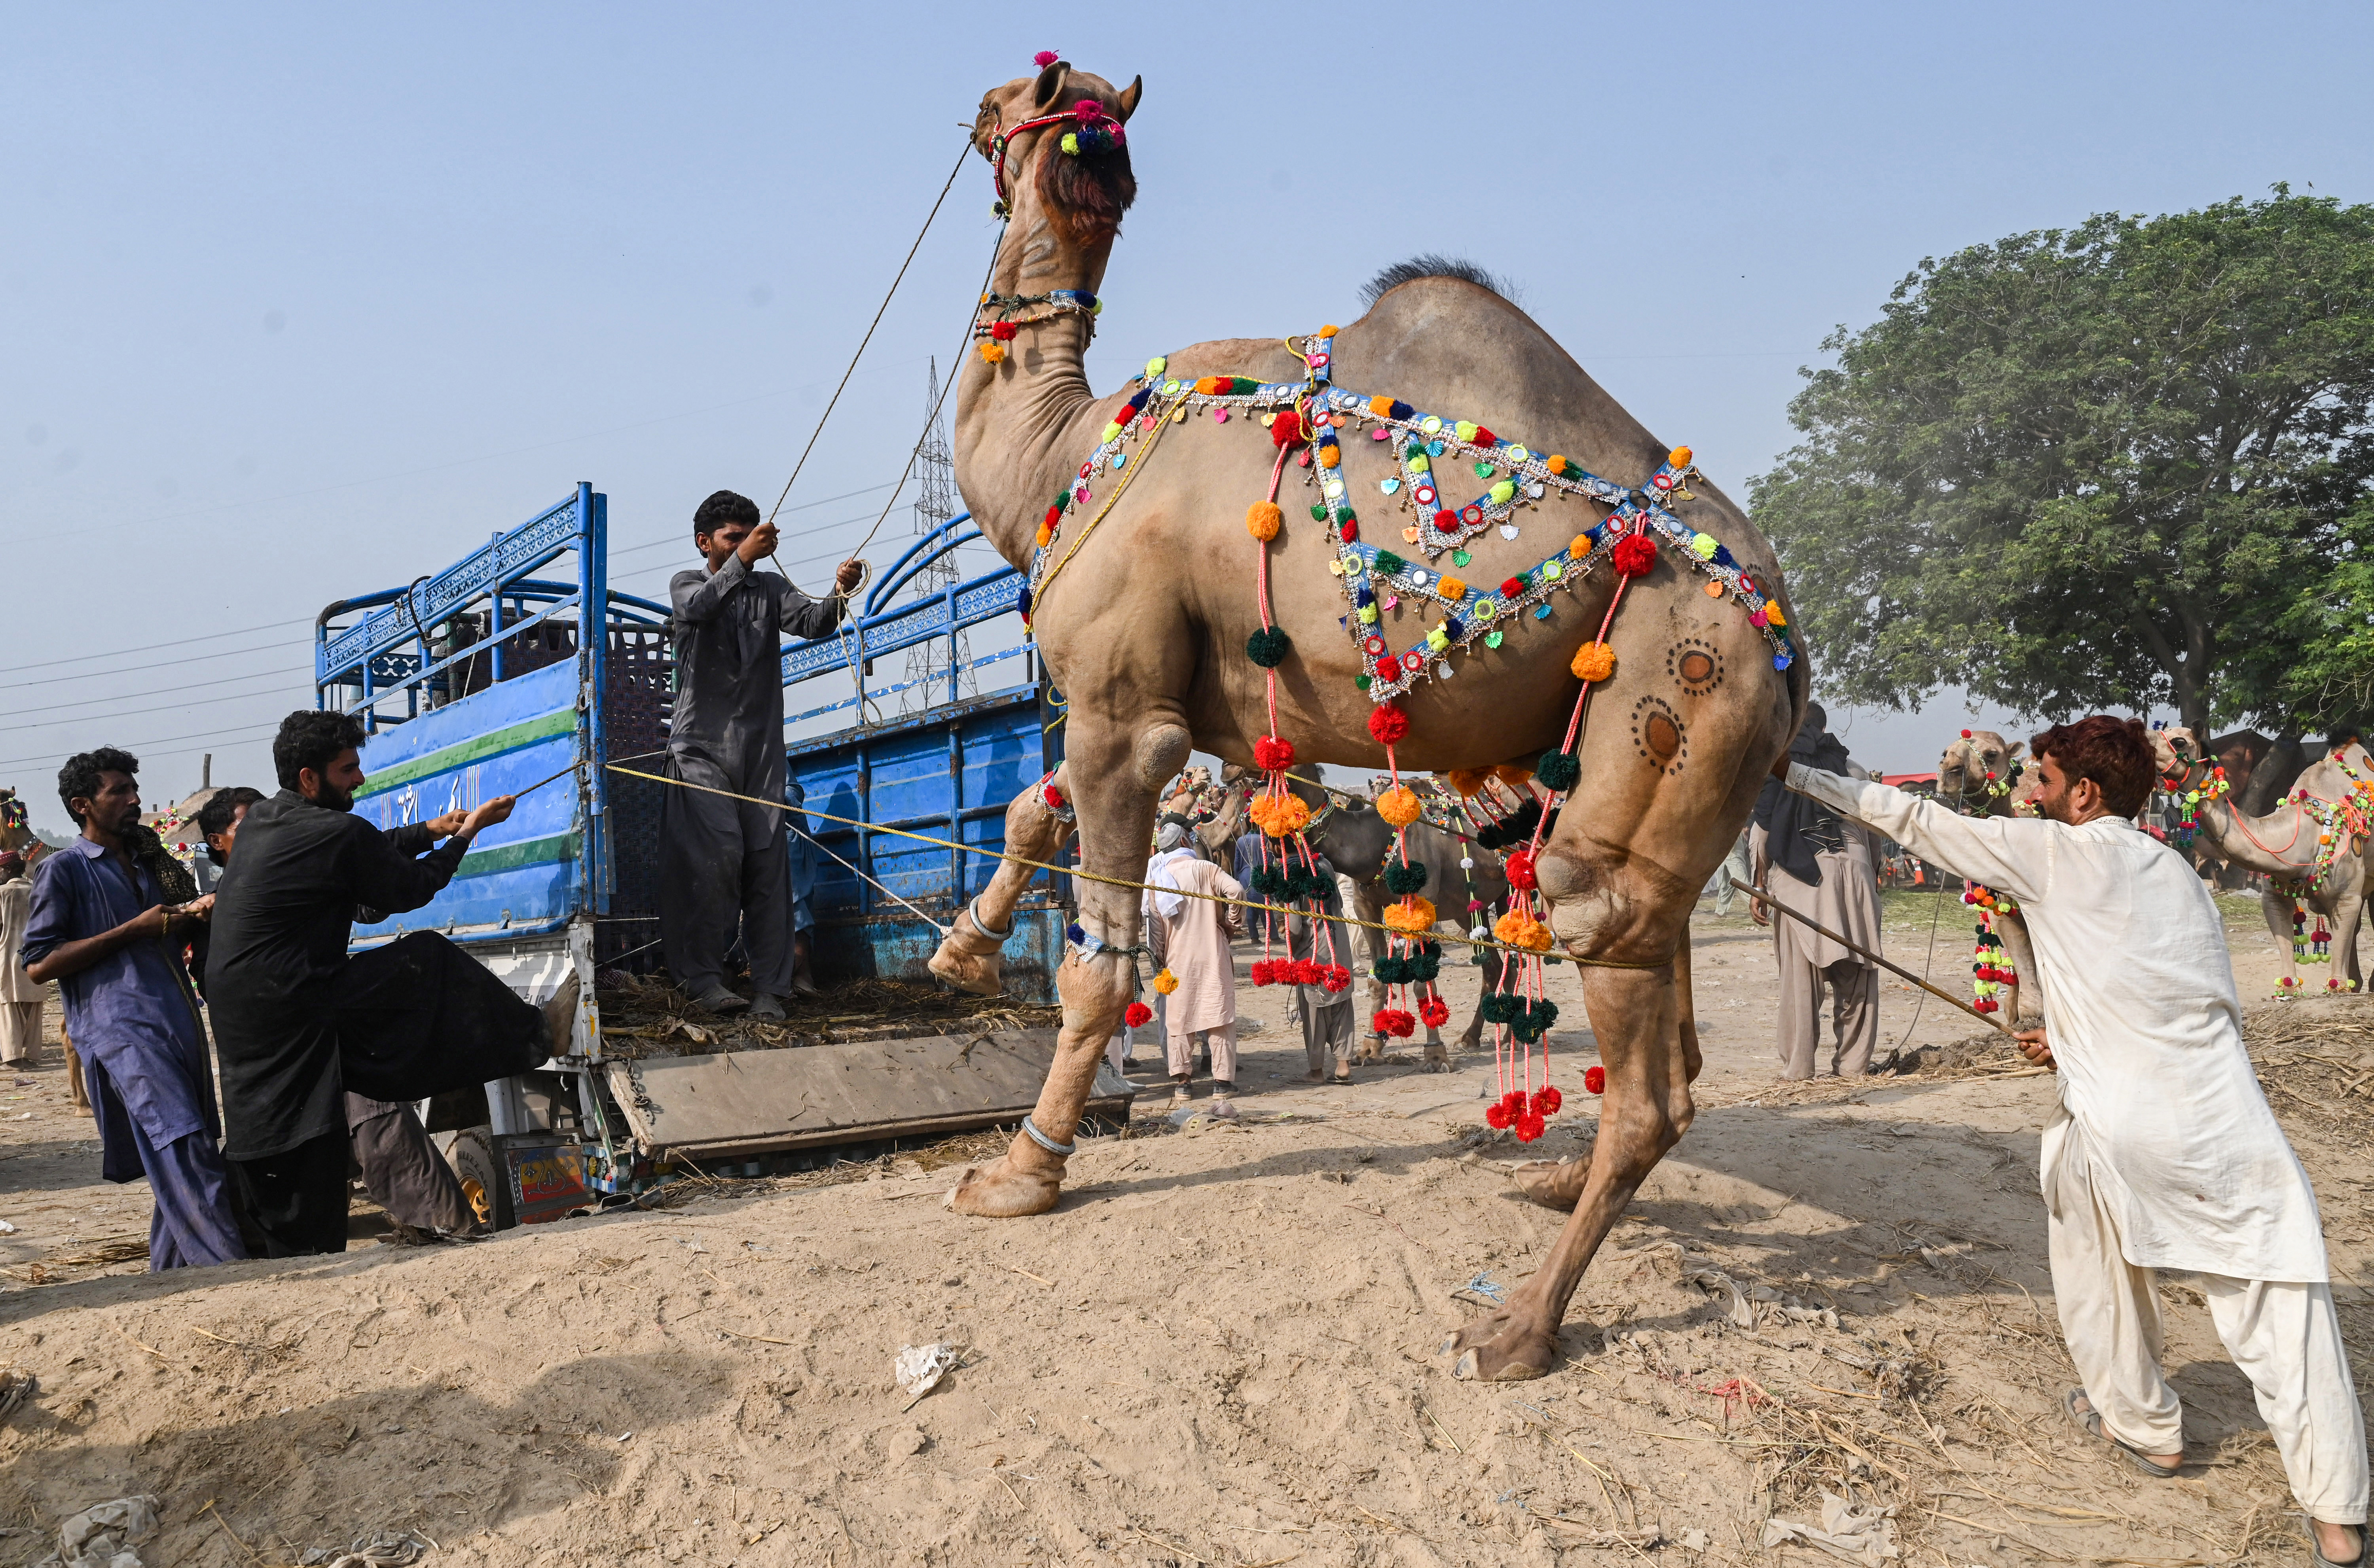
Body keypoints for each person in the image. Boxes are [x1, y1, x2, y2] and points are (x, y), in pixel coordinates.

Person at [1783, 715, 2366, 1565]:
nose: (2032, 793)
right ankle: (2339, 1519)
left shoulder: (2053, 852)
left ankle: (2143, 1423)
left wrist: (1789, 771)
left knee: (2091, 1255)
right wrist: (2069, 1036)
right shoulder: (2180, 875)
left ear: (2084, 793)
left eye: (2044, 780)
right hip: (2227, 1124)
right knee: (2286, 1318)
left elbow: (1911, 820)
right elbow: (2185, 1000)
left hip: (2122, 1120)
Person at [207, 710, 559, 1256]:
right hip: (298, 1003)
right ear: (309, 778)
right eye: (348, 770)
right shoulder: (334, 833)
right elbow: (413, 886)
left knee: (293, 1147)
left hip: (254, 1015)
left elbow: (367, 847)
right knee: (427, 959)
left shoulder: (265, 821)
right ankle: (535, 1035)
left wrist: (431, 829)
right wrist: (468, 833)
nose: (360, 780)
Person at [204, 782, 475, 1240]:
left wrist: (429, 831)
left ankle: (444, 1222)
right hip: (280, 1059)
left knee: (370, 1123)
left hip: (318, 1040)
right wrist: (457, 838)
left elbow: (362, 856)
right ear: (221, 842)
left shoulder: (300, 872)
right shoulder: (228, 904)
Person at [20, 748, 245, 1269]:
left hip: (177, 1027)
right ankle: (233, 1277)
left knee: (189, 1150)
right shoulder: (64, 871)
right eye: (117, 791)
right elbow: (39, 964)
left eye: (133, 789)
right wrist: (132, 930)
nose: (133, 799)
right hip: (123, 1036)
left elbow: (167, 930)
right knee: (187, 1147)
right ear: (82, 805)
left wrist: (191, 913)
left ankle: (166, 1281)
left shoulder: (149, 865)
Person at [662, 490, 862, 1019]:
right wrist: (744, 560)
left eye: (748, 536)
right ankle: (703, 979)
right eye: (733, 537)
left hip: (762, 752)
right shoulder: (687, 584)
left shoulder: (770, 589)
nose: (745, 544)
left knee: (771, 867)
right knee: (719, 852)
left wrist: (840, 593)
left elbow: (816, 623)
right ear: (706, 542)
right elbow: (699, 609)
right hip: (700, 750)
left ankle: (773, 990)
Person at [1750, 703, 1882, 1078]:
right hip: (1855, 871)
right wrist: (1869, 885)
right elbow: (1874, 837)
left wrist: (1759, 887)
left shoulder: (1780, 766)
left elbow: (1762, 832)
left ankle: (1799, 1069)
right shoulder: (1855, 770)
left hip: (1802, 877)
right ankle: (1854, 1068)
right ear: (1824, 728)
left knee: (1801, 982)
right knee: (1858, 978)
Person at [1143, 831, 1245, 1114]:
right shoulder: (1205, 868)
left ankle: (1183, 1083)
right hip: (1212, 954)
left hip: (1177, 959)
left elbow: (1155, 932)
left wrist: (1159, 962)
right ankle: (1222, 1083)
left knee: (1179, 1021)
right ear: (1186, 844)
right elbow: (1237, 891)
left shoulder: (1158, 881)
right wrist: (1231, 924)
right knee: (1219, 1016)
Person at [1288, 854, 1356, 1082]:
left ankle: (1316, 1071)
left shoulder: (1291, 872)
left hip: (1314, 953)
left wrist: (1292, 950)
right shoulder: (1325, 862)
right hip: (1339, 947)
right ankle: (1343, 1065)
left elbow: (1294, 927)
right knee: (1341, 1007)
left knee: (1315, 1012)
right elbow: (1341, 901)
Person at [783, 774, 823, 999]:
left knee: (796, 903)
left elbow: (793, 790)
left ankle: (803, 974)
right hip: (753, 835)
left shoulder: (767, 746)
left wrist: (779, 800)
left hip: (788, 832)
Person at [0, 852, 38, 1067]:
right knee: (34, 1007)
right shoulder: (37, 890)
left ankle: (13, 1057)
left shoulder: (3, 893)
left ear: (8, 870)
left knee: (8, 1006)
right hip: (34, 955)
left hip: (7, 954)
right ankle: (33, 1055)